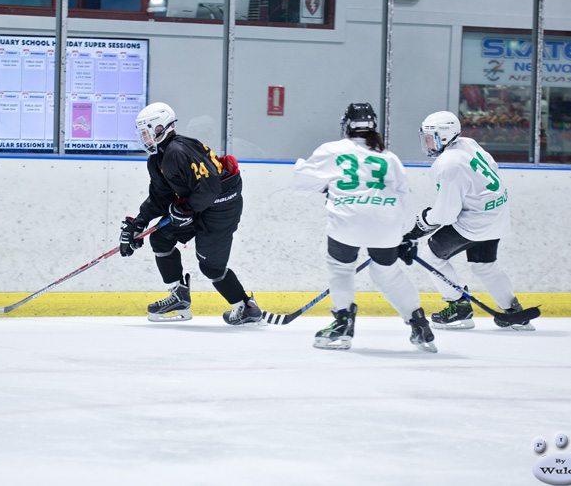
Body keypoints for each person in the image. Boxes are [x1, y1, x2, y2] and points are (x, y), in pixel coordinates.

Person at [293, 103, 437, 353]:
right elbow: (405, 195)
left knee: (341, 268)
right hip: (387, 221)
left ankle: (342, 324)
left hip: (347, 220)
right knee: (387, 274)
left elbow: (301, 182)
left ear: (346, 125)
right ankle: (418, 323)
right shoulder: (389, 157)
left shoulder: (332, 149)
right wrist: (404, 235)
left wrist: (327, 186)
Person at [118, 102, 263, 326]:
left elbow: (209, 188)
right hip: (198, 204)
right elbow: (160, 197)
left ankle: (246, 308)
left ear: (160, 128)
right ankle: (179, 297)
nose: (143, 138)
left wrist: (183, 210)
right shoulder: (157, 159)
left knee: (210, 266)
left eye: (146, 132)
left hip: (221, 208)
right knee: (160, 238)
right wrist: (139, 224)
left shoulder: (179, 151)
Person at [399, 110, 536, 331]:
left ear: (444, 137)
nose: (426, 143)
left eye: (430, 137)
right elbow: (492, 170)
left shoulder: (448, 164)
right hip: (496, 215)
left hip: (475, 222)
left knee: (431, 256)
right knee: (484, 266)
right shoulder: (467, 144)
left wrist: (421, 224)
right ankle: (514, 313)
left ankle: (459, 309)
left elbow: (446, 214)